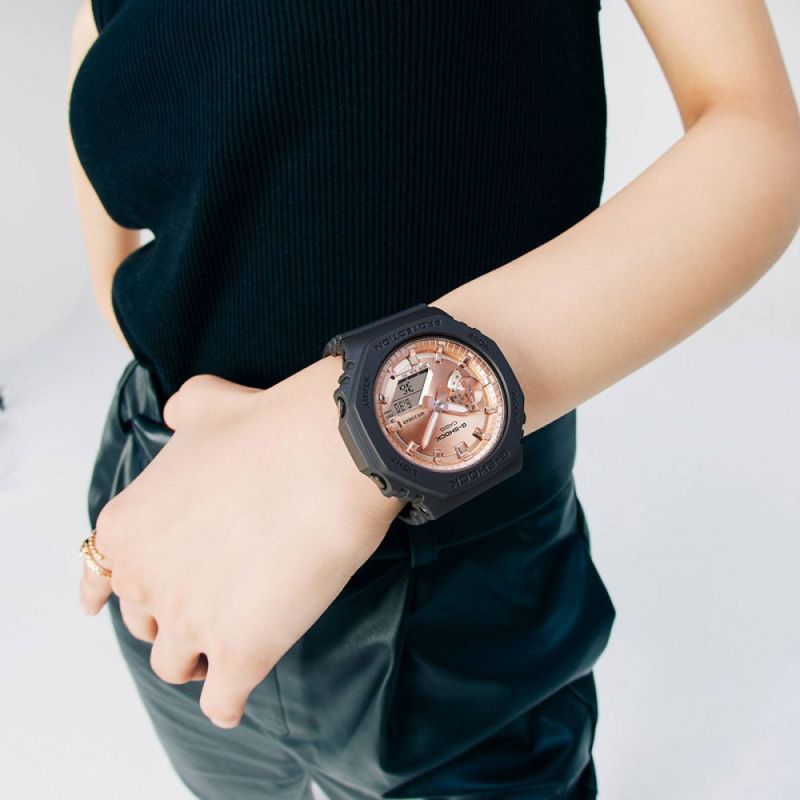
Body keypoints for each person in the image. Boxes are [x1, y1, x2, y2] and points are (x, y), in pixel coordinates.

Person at [67, 1, 800, 798]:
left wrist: (359, 433)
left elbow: (751, 133)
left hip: (454, 558)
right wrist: (130, 311)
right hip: (166, 501)